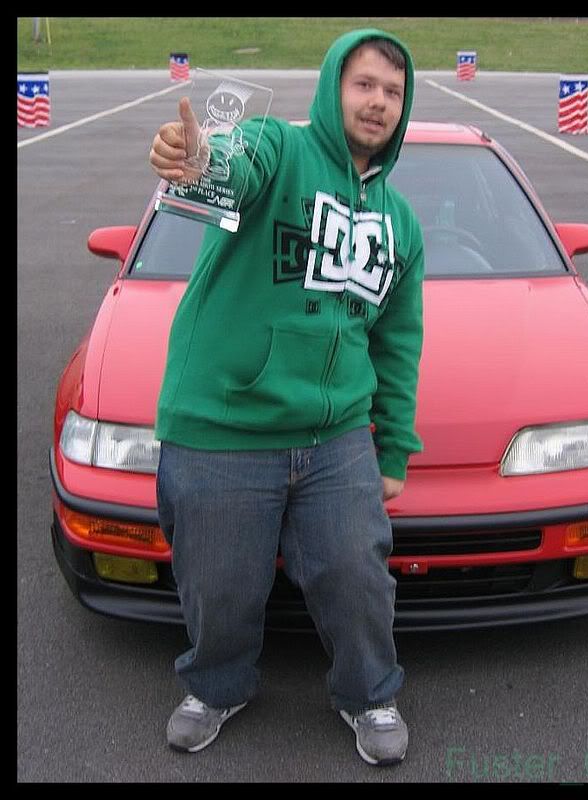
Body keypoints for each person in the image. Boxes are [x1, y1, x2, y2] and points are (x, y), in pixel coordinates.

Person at [149, 28, 425, 766]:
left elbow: (399, 343)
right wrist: (198, 162)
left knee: (357, 576)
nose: (378, 102)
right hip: (223, 426)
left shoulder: (400, 222)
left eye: (393, 92)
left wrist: (393, 448)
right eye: (364, 84)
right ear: (334, 86)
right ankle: (216, 686)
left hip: (336, 438)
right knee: (219, 586)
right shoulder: (279, 146)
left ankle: (368, 694)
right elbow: (232, 167)